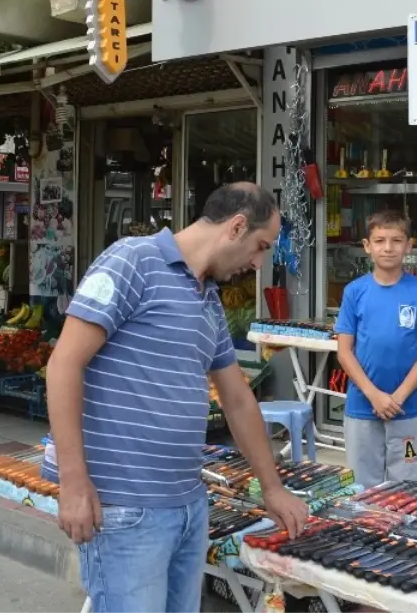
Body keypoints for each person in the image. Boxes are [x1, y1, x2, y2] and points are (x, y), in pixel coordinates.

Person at [44, 182, 309, 613]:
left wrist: (272, 487)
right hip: (125, 508)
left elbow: (237, 399)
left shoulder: (208, 299)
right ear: (236, 227)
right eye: (261, 246)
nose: (258, 262)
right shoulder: (132, 261)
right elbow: (64, 365)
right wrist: (74, 483)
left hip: (187, 504)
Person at [335, 210, 417, 487]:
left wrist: (398, 398)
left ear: (409, 245)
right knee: (361, 487)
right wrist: (375, 396)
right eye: (380, 240)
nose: (388, 248)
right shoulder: (354, 292)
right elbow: (345, 352)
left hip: (408, 410)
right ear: (367, 246)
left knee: (406, 486)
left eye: (396, 240)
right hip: (362, 406)